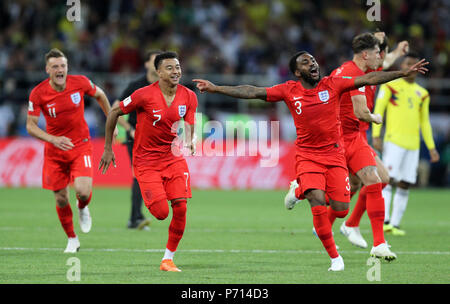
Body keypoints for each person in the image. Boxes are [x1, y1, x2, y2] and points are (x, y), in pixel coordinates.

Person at [193, 51, 428, 271]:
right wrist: (216, 89)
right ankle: (335, 258)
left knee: (341, 208)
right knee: (317, 200)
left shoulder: (332, 84)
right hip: (308, 156)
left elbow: (370, 78)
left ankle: (298, 192)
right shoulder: (289, 90)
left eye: (313, 60)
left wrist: (401, 73)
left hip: (334, 156)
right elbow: (252, 91)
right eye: (306, 62)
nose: (313, 64)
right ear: (297, 72)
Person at [100, 51, 198, 272]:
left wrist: (191, 140)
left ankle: (168, 259)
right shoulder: (142, 94)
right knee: (162, 213)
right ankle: (152, 191)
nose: (176, 71)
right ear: (159, 72)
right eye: (170, 68)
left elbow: (189, 121)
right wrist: (108, 147)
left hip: (173, 158)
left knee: (181, 207)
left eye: (178, 67)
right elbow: (114, 111)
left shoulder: (189, 96)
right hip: (145, 161)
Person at [26, 48, 116, 253]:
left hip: (80, 145)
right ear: (47, 69)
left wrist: (111, 120)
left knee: (83, 192)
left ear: (67, 68)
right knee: (60, 198)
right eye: (55, 66)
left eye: (63, 66)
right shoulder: (38, 93)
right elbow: (30, 125)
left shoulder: (80, 82)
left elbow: (101, 95)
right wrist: (53, 139)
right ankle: (72, 239)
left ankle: (83, 208)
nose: (60, 70)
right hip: (54, 150)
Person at [330, 33, 409, 255]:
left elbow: (386, 61)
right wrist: (374, 117)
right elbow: (360, 112)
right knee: (354, 188)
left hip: (354, 135)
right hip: (345, 137)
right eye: (377, 52)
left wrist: (396, 52)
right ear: (367, 55)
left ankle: (351, 226)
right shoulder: (354, 74)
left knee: (375, 181)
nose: (381, 57)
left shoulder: (368, 69)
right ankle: (302, 191)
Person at [372, 51, 440, 236]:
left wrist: (432, 147)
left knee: (406, 183)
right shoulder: (391, 86)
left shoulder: (422, 94)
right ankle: (384, 220)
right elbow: (379, 109)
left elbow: (424, 122)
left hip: (413, 144)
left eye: (415, 64)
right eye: (408, 63)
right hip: (394, 141)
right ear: (402, 66)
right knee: (388, 179)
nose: (412, 67)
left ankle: (395, 224)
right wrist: (376, 135)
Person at [113, 50, 162, 230]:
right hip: (136, 138)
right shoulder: (136, 85)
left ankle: (137, 216)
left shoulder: (164, 86)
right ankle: (134, 218)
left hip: (157, 139)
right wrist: (129, 129)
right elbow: (115, 109)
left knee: (148, 177)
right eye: (154, 61)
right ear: (147, 64)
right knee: (138, 175)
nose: (158, 64)